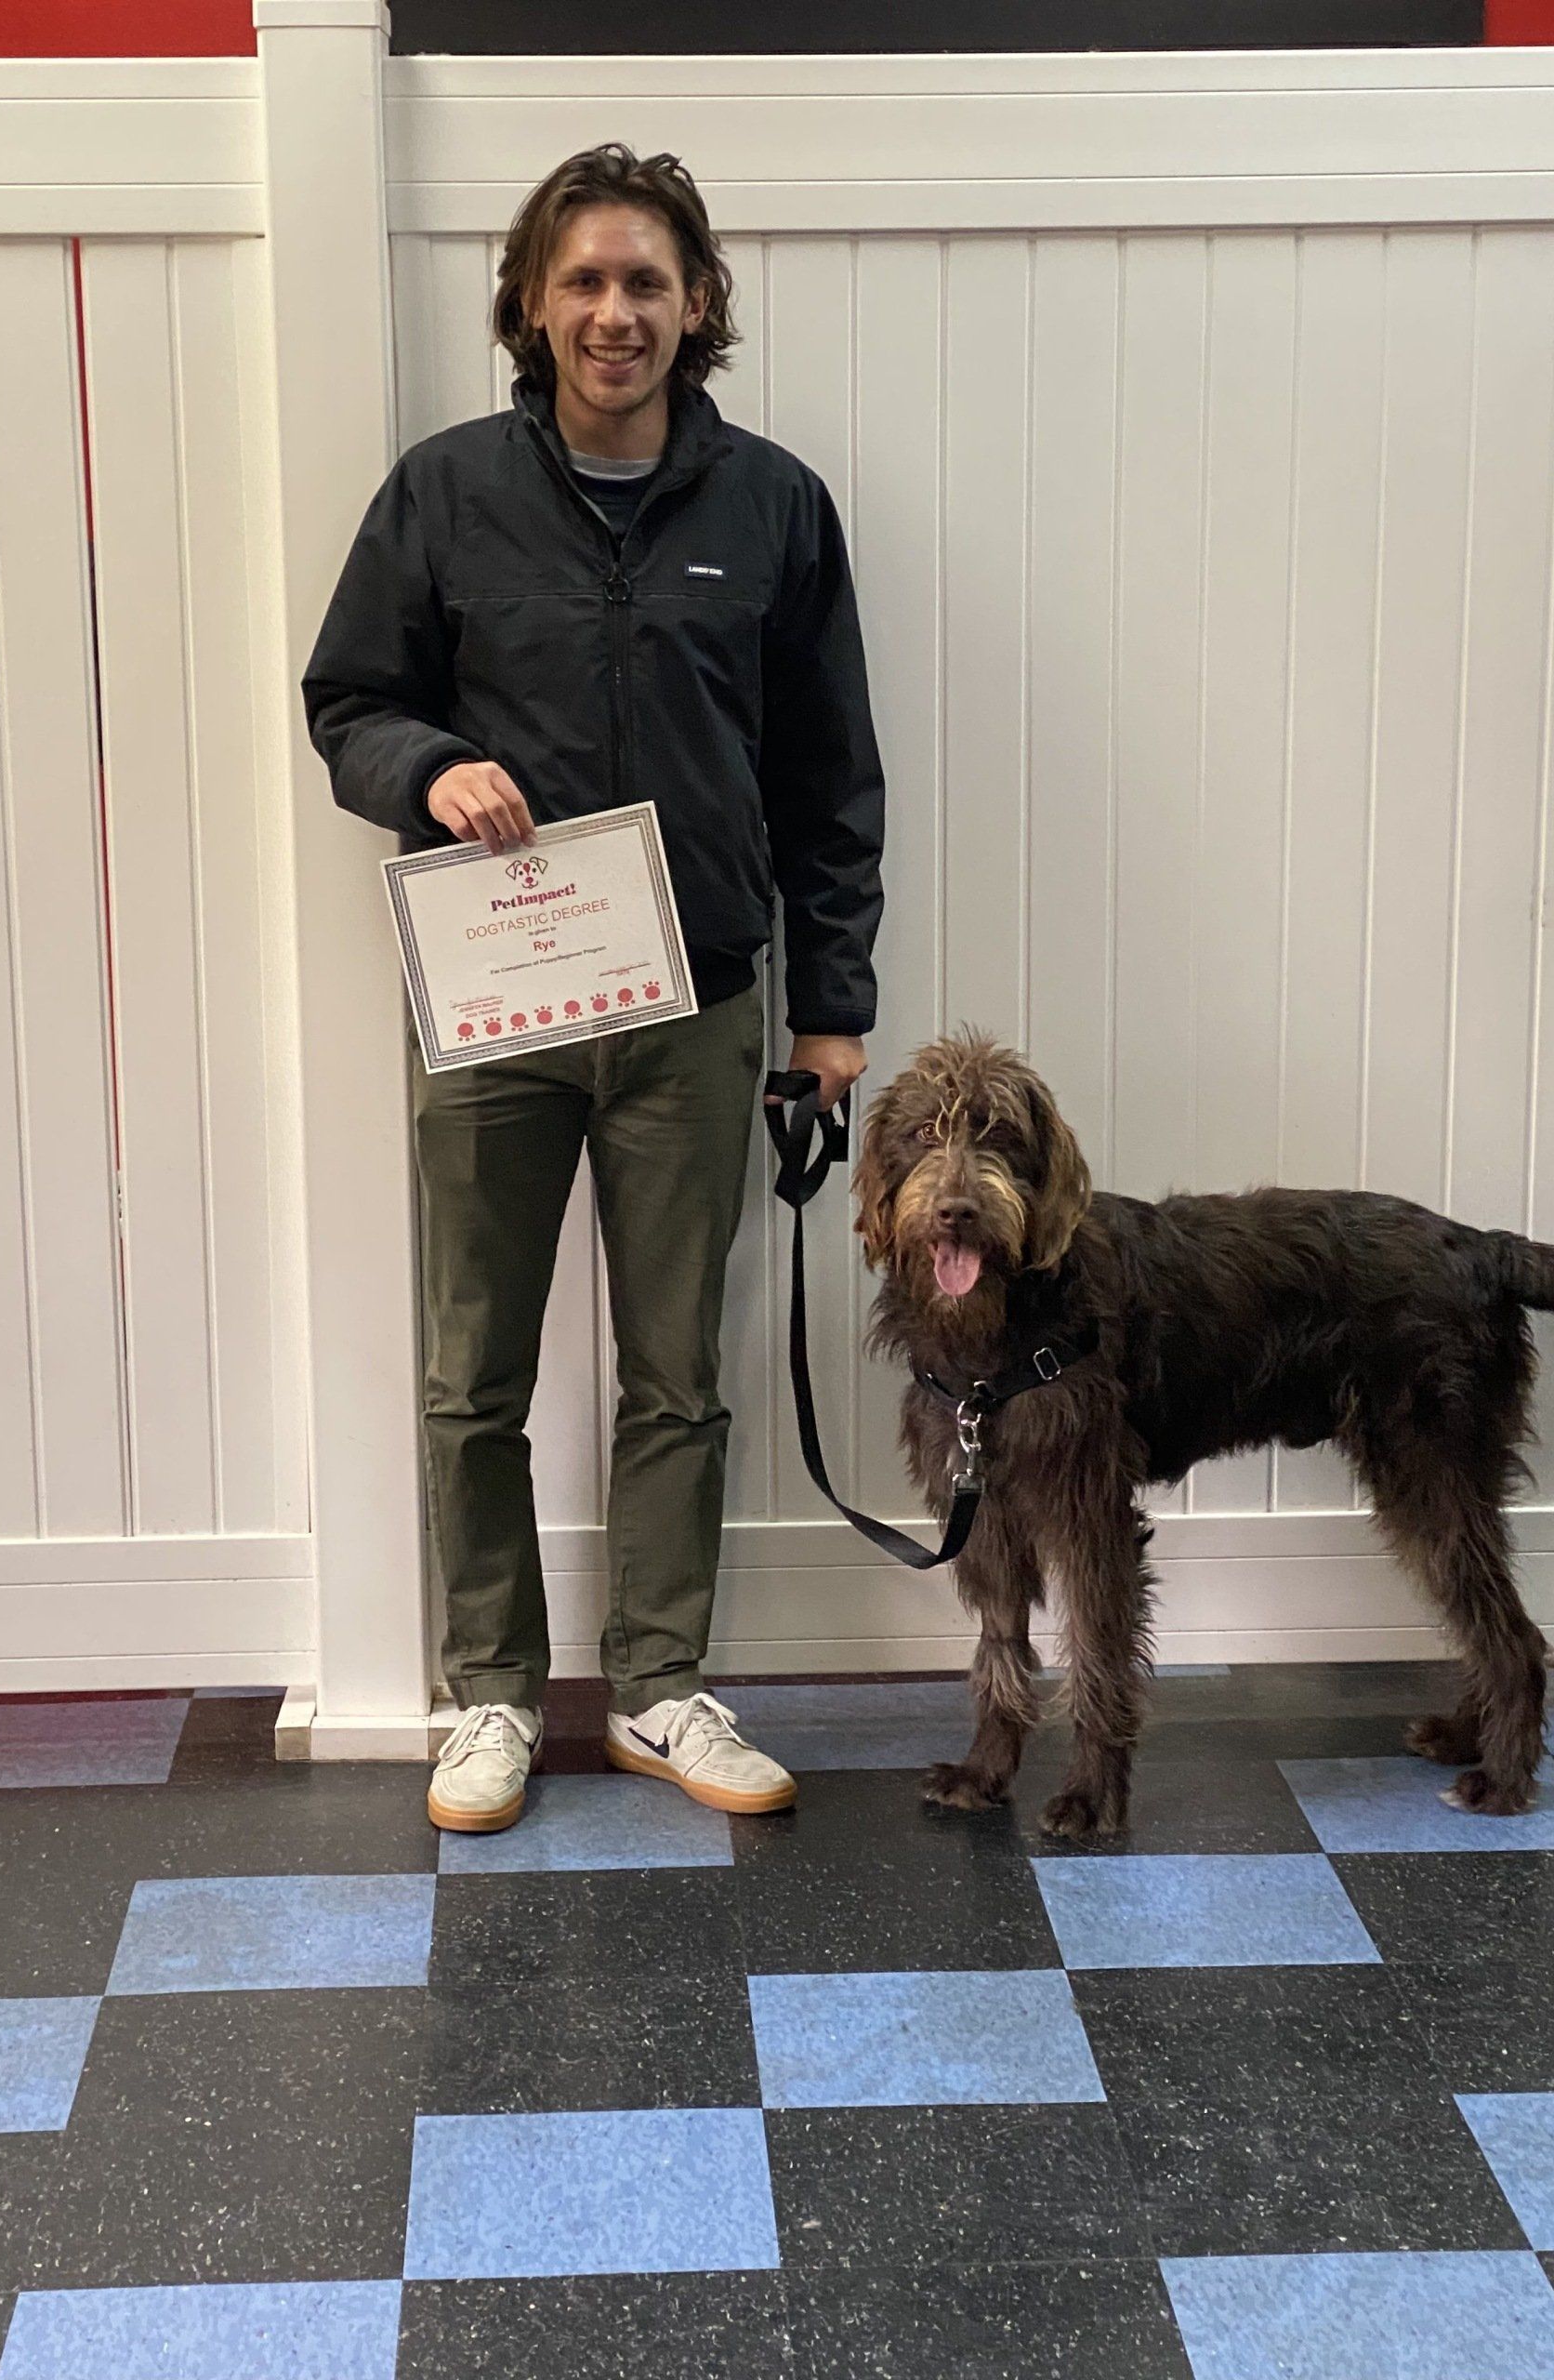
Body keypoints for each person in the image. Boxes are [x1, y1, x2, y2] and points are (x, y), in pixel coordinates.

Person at [303, 143, 885, 1835]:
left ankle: (659, 1687)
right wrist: (427, 770)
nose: (614, 312)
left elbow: (831, 776)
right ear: (532, 305)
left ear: (697, 303)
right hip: (496, 1010)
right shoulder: (443, 494)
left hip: (696, 1008)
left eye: (646, 281)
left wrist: (828, 1010)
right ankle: (484, 1696)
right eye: (583, 282)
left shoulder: (773, 507)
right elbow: (349, 698)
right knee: (471, 1373)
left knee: (676, 1371)